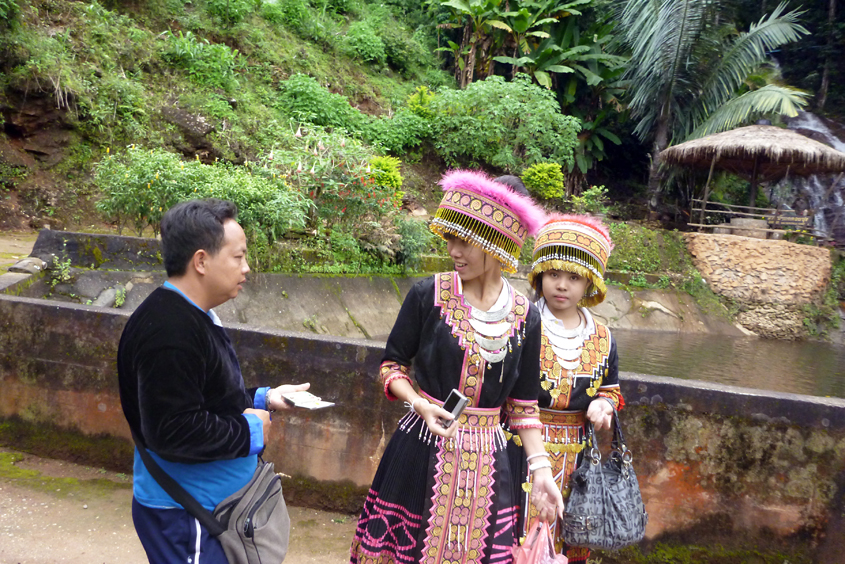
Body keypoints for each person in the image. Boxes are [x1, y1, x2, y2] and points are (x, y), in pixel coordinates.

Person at [349, 170, 563, 564]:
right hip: (421, 447)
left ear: (496, 243)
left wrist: (541, 470)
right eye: (449, 239)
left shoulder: (525, 317)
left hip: (488, 461)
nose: (453, 251)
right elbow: (392, 367)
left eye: (464, 241)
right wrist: (418, 403)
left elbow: (523, 405)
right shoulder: (427, 295)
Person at [118, 198, 309, 564]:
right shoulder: (170, 331)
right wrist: (249, 431)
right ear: (201, 261)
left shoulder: (190, 314)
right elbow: (172, 429)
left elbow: (202, 397)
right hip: (188, 514)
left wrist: (263, 399)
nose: (246, 268)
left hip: (210, 509)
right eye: (238, 257)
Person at [509, 214, 624, 563]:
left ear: (589, 284)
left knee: (569, 540)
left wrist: (605, 404)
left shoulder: (603, 338)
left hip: (578, 457)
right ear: (540, 274)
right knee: (513, 536)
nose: (562, 285)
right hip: (519, 448)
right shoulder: (520, 322)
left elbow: (613, 389)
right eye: (554, 274)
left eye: (573, 277)